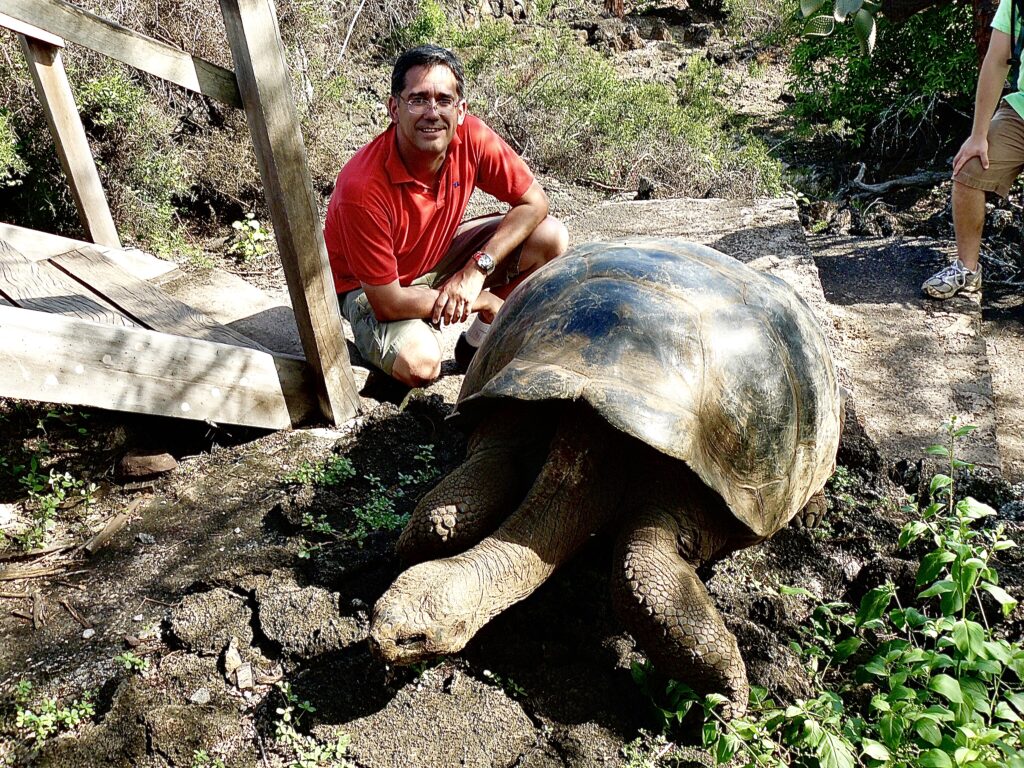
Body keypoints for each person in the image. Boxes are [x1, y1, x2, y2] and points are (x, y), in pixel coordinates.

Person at [324, 45, 568, 386]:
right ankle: (411, 335)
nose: (432, 112)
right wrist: (481, 299)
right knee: (421, 365)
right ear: (394, 108)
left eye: (444, 100)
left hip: (435, 254)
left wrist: (475, 270)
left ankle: (478, 343)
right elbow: (389, 302)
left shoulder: (472, 137)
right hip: (371, 287)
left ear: (461, 108)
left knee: (551, 237)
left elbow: (534, 202)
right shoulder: (362, 189)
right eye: (418, 99)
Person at [922, 7, 1022, 300]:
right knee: (969, 169)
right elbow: (995, 60)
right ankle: (967, 271)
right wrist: (978, 136)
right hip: (1020, 112)